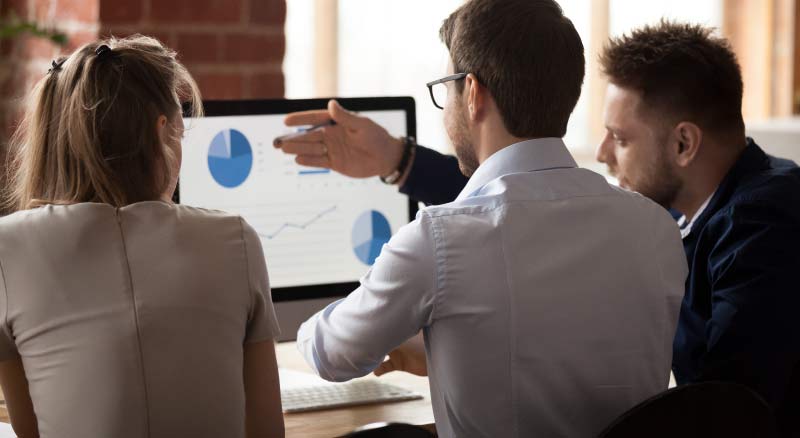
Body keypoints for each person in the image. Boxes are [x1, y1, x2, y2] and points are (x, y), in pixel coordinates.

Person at [293, 1, 687, 437]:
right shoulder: (657, 229)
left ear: (474, 93)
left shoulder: (439, 240)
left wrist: (309, 326)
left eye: (447, 89)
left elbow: (332, 355)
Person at [0, 36, 284, 438]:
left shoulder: (8, 249)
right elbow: (268, 431)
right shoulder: (235, 240)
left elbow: (32, 430)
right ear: (162, 132)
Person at [596, 21, 800, 436]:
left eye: (619, 138)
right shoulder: (686, 214)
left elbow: (726, 408)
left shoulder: (762, 224)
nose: (602, 154)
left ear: (683, 144)